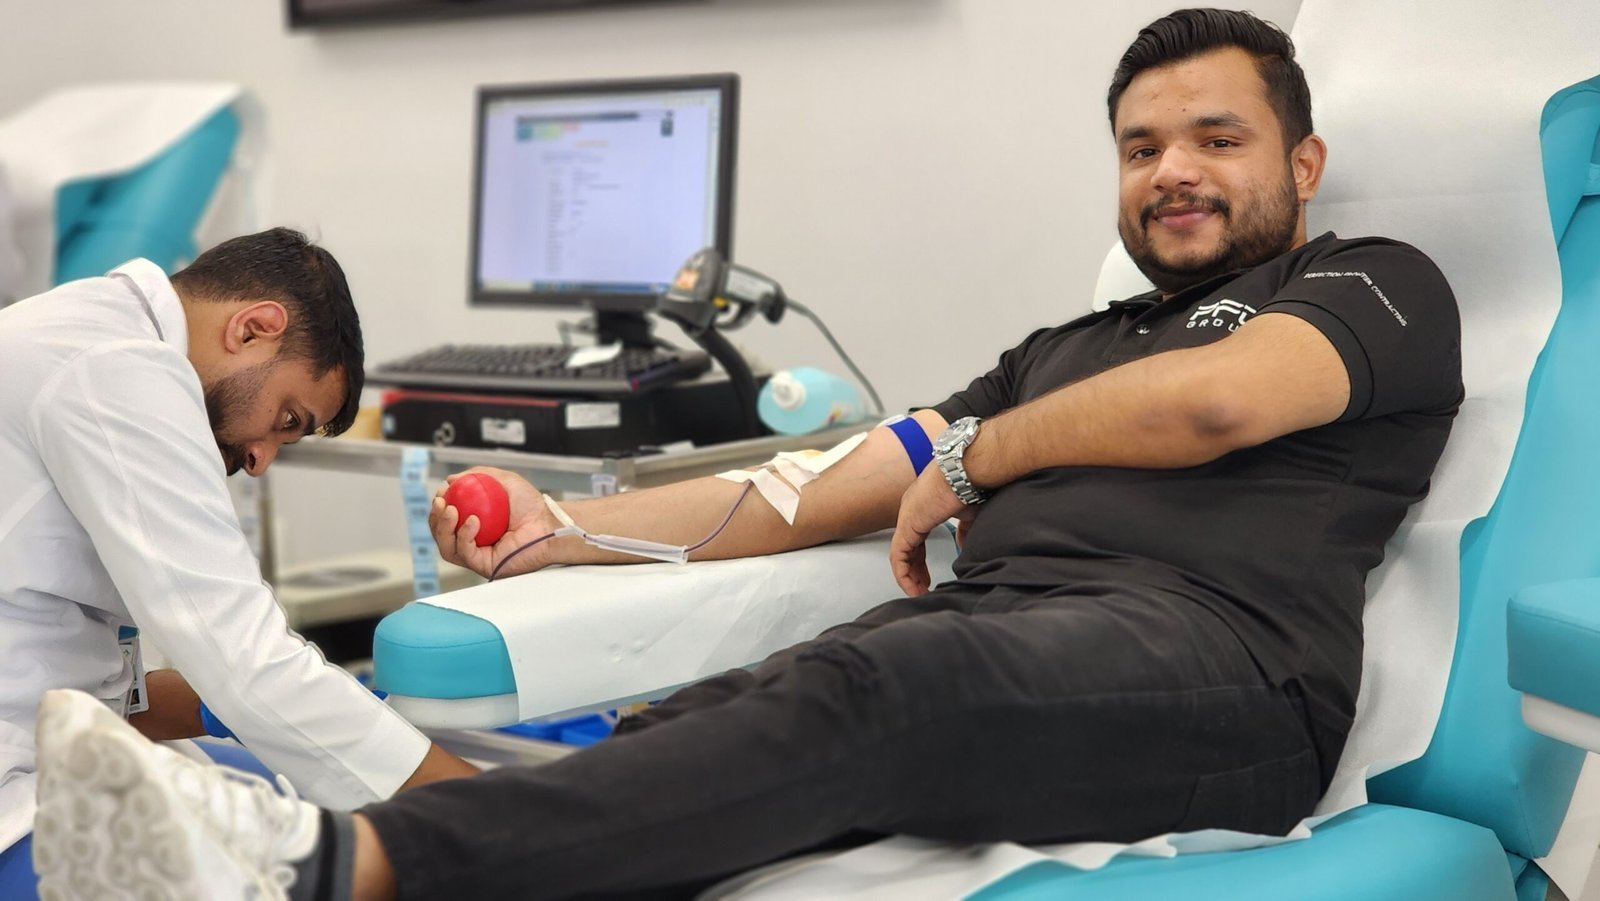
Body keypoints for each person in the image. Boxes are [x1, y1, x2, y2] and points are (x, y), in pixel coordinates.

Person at [32, 9, 1464, 901]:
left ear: (1302, 164)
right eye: (1143, 147)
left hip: (1223, 679)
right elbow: (805, 490)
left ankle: (343, 866)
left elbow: (1218, 404)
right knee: (690, 728)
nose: (1173, 171)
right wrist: (569, 531)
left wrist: (980, 453)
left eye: (1216, 138)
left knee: (881, 682)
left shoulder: (1371, 283)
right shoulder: (1060, 348)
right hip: (1014, 638)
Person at [0, 228, 476, 892]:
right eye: (287, 419)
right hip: (16, 801)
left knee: (282, 811)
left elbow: (60, 654)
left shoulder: (87, 332)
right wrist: (488, 815)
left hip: (46, 756)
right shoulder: (115, 368)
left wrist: (228, 704)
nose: (259, 460)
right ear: (253, 328)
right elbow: (246, 663)